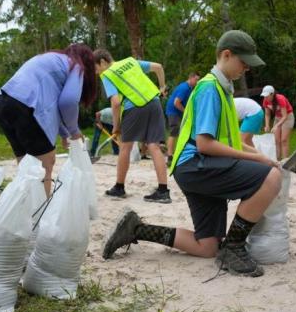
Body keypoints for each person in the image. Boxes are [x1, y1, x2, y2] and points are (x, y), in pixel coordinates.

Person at [101, 30, 282, 277]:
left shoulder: (222, 88)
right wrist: (258, 159)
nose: (246, 69)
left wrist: (258, 154)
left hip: (194, 168)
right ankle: (234, 246)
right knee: (271, 178)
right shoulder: (211, 88)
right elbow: (205, 144)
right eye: (244, 63)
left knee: (206, 247)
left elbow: (228, 141)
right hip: (197, 164)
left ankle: (137, 230)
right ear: (226, 55)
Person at [0, 43, 98, 195]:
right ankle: (40, 215)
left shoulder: (51, 58)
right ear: (87, 60)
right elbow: (68, 102)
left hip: (2, 102)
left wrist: (64, 134)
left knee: (27, 167)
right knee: (45, 166)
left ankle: (24, 211)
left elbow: (52, 105)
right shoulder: (76, 65)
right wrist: (74, 132)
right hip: (26, 106)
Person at [93, 49, 171, 203]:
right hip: (154, 102)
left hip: (134, 106)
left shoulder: (107, 74)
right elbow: (159, 67)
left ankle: (119, 187)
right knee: (154, 146)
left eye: (95, 68)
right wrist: (162, 88)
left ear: (102, 62)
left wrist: (116, 126)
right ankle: (163, 191)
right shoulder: (130, 62)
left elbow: (115, 103)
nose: (96, 73)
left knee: (125, 147)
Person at [165, 72, 201, 165]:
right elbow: (176, 102)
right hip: (173, 111)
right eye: (196, 80)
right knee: (174, 132)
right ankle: (169, 157)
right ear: (191, 78)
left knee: (181, 132)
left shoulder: (189, 88)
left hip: (177, 111)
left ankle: (180, 153)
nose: (197, 82)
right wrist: (186, 112)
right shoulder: (184, 87)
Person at [261, 85, 294, 160]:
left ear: (272, 94)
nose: (265, 98)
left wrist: (276, 126)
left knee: (284, 140)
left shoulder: (280, 98)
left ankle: (285, 161)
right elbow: (267, 114)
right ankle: (278, 160)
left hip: (288, 117)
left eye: (266, 96)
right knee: (276, 140)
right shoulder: (265, 100)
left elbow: (285, 116)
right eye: (264, 96)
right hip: (277, 118)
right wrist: (267, 125)